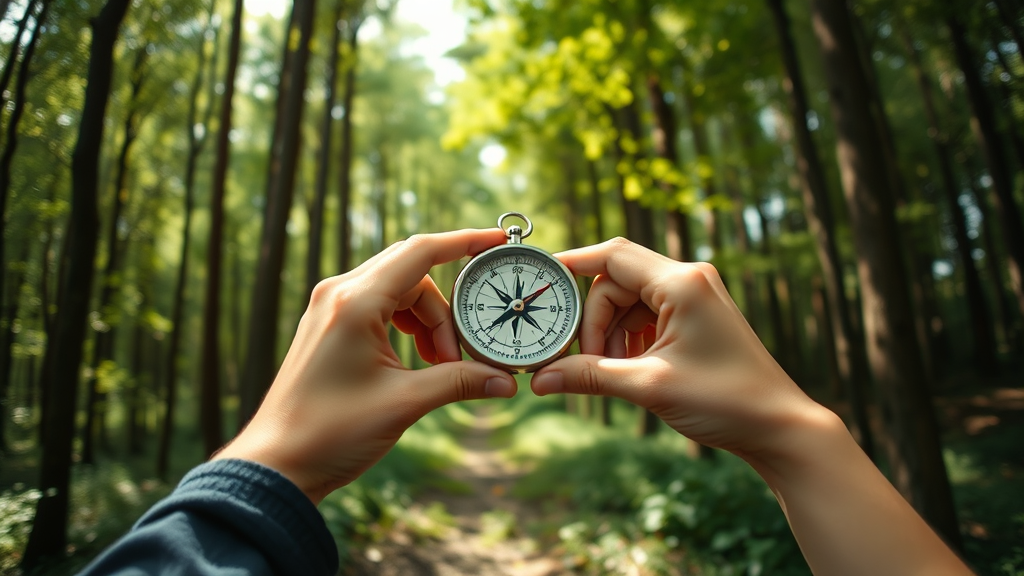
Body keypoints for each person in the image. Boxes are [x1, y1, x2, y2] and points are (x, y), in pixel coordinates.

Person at [77, 230, 973, 576]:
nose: (514, 306)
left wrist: (258, 475)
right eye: (505, 301)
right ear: (487, 303)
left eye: (524, 300)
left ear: (536, 296)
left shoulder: (501, 300)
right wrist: (802, 441)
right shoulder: (524, 297)